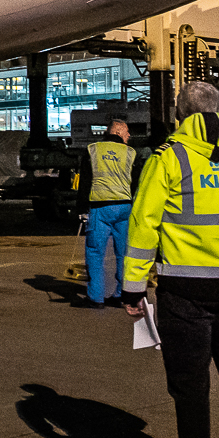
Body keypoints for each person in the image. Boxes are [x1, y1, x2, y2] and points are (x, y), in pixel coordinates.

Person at [122, 80, 219, 438]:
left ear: (179, 114)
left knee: (190, 385)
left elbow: (144, 225)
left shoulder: (168, 157)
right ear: (218, 109)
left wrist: (133, 286)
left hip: (184, 290)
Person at [78, 119, 140, 307]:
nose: (129, 135)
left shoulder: (92, 150)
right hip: (124, 208)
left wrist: (81, 209)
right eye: (127, 132)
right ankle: (121, 294)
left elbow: (85, 182)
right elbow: (136, 182)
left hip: (100, 208)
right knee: (124, 253)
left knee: (95, 253)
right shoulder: (131, 153)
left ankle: (95, 297)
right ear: (119, 132)